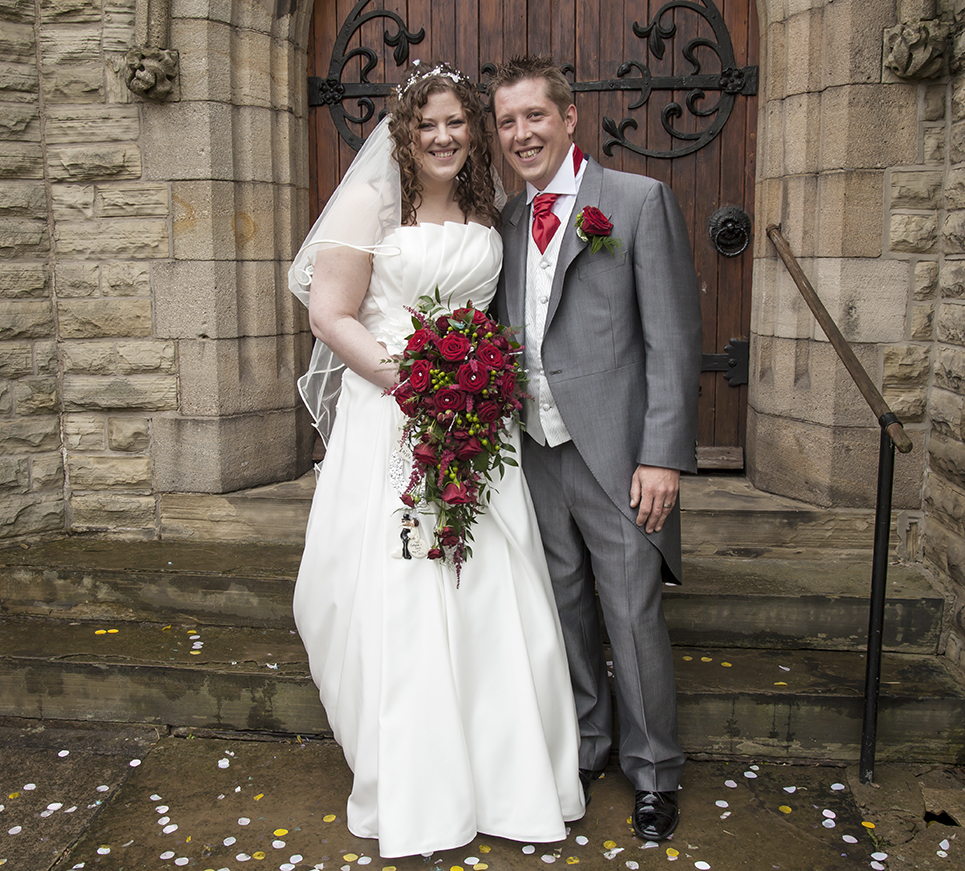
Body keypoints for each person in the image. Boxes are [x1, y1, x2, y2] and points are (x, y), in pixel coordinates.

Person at [288, 62, 585, 858]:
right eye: (430, 126)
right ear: (406, 133)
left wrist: (472, 387)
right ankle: (422, 780)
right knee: (408, 583)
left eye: (458, 124)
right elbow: (329, 313)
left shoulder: (486, 206)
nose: (445, 137)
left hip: (479, 427)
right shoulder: (368, 202)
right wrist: (416, 385)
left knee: (492, 585)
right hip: (394, 417)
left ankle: (504, 772)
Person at [488, 56, 702, 842]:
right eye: (507, 122)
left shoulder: (637, 202)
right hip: (535, 450)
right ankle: (587, 743)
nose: (521, 135)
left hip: (618, 455)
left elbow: (673, 339)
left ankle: (653, 773)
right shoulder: (509, 222)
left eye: (534, 116)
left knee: (633, 616)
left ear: (570, 118)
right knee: (565, 608)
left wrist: (664, 456)